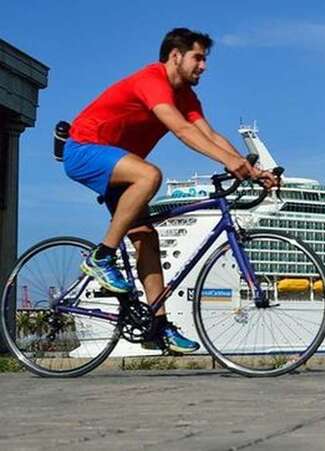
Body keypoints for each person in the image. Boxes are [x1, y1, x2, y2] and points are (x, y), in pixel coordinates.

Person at [62, 28, 275, 353]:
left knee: (147, 238)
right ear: (175, 56)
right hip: (84, 149)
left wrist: (251, 170)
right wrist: (229, 161)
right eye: (198, 58)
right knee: (150, 175)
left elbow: (210, 135)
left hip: (121, 166)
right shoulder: (152, 80)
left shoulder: (186, 96)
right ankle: (101, 257)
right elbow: (182, 130)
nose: (204, 66)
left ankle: (157, 327)